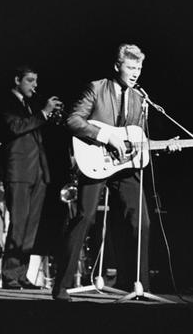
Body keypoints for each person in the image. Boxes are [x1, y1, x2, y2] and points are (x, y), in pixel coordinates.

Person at [52, 44, 151, 301]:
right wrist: (106, 137)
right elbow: (73, 120)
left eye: (139, 68)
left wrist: (159, 147)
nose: (135, 73)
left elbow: (136, 137)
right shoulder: (96, 88)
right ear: (117, 66)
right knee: (84, 218)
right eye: (130, 67)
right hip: (96, 159)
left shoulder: (141, 98)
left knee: (140, 221)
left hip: (124, 166)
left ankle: (138, 286)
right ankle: (61, 286)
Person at [0, 65, 62, 288]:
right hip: (18, 170)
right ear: (17, 80)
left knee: (31, 226)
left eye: (36, 81)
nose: (35, 85)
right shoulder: (6, 101)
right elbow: (16, 127)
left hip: (38, 171)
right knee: (18, 223)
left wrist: (49, 116)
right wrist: (44, 113)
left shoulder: (29, 104)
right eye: (30, 80)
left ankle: (21, 273)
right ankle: (9, 274)